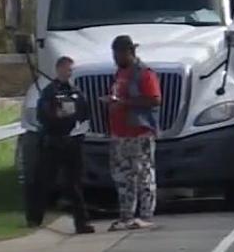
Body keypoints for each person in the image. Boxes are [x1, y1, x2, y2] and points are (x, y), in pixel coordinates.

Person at [27, 56, 94, 234]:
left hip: (71, 141)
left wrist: (72, 115)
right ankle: (34, 219)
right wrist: (55, 115)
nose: (69, 73)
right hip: (52, 141)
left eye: (71, 70)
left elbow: (84, 112)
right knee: (43, 182)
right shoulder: (49, 91)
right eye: (66, 69)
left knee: (75, 184)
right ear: (58, 70)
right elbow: (43, 116)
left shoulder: (75, 91)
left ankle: (81, 223)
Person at [101, 35, 161, 231]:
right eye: (114, 53)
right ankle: (126, 215)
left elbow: (154, 100)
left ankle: (146, 215)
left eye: (119, 53)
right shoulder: (119, 74)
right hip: (120, 133)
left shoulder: (144, 74)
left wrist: (125, 103)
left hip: (140, 132)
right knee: (122, 175)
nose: (116, 57)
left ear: (130, 52)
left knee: (143, 173)